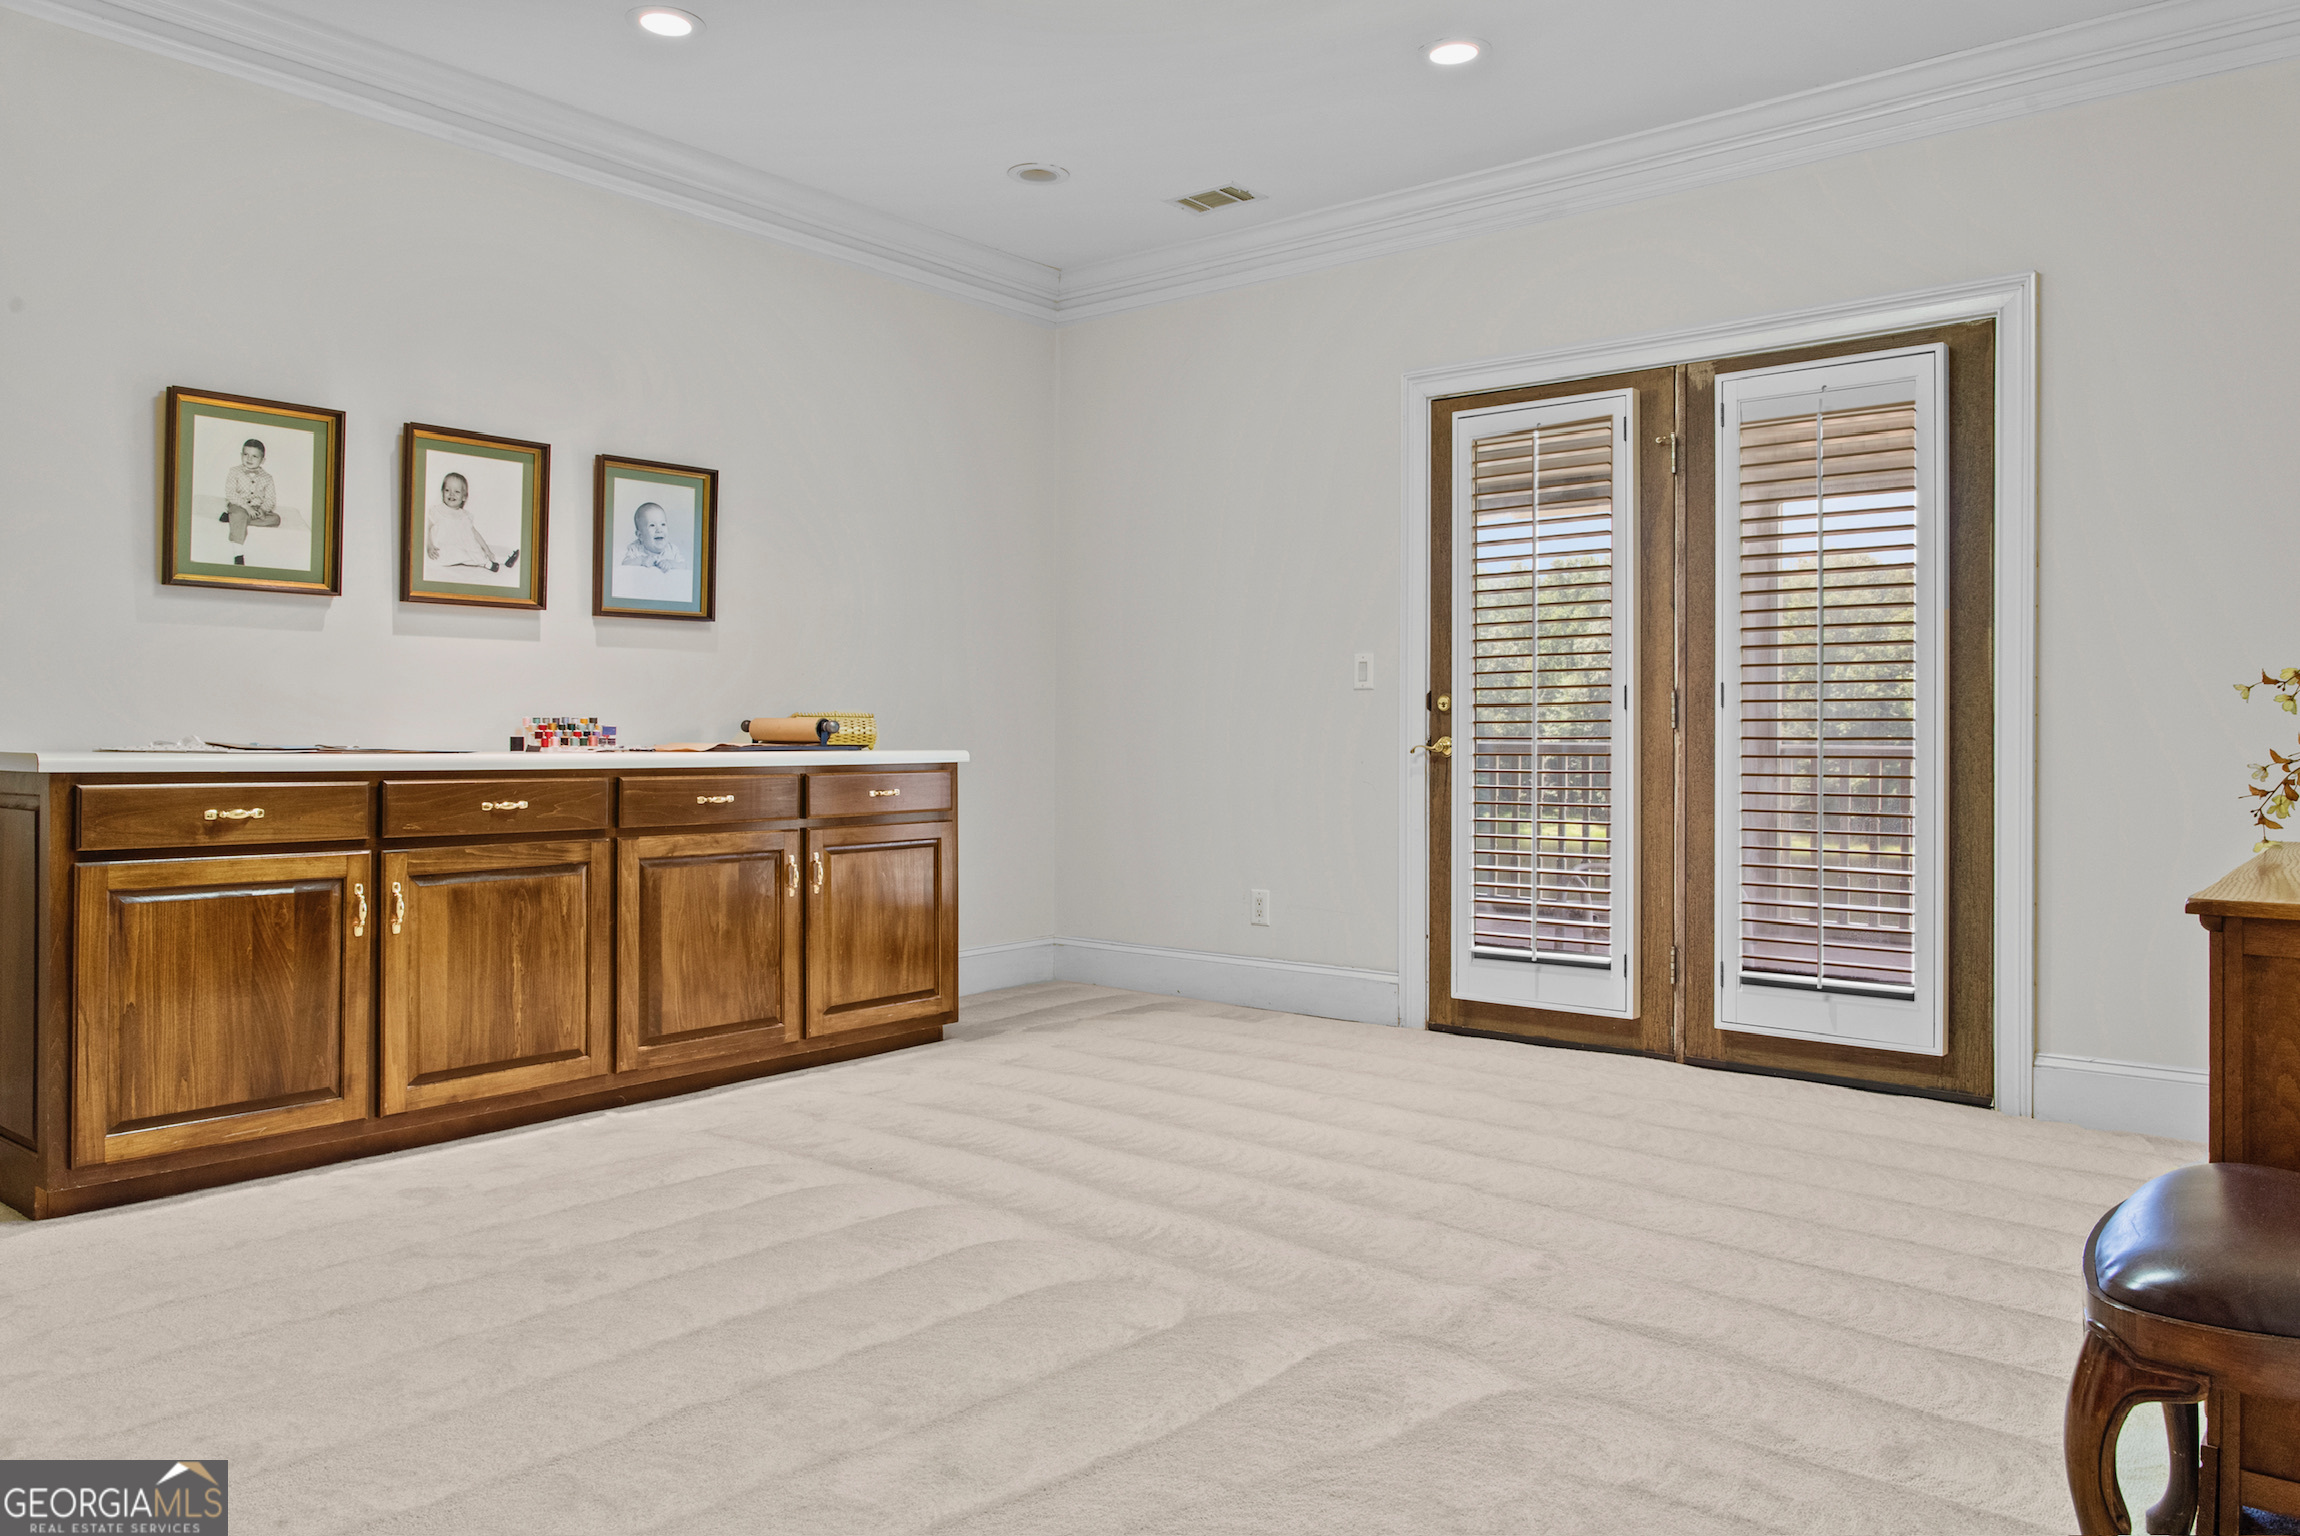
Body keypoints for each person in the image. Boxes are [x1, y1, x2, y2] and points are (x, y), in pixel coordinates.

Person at [425, 471, 517, 575]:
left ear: (464, 497)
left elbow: (475, 534)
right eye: (447, 490)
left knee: (473, 551)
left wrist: (487, 550)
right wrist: (429, 546)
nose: (451, 494)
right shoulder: (437, 511)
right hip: (442, 551)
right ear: (442, 492)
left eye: (457, 491)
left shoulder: (464, 516)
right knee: (463, 554)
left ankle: (503, 560)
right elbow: (426, 529)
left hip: (460, 548)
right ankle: (485, 563)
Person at [219, 438, 279, 566]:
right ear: (241, 455)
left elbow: (270, 499)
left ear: (262, 460)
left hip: (256, 508)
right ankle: (238, 554)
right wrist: (246, 508)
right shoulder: (234, 471)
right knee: (239, 513)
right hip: (239, 505)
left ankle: (234, 519)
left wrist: (262, 510)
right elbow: (231, 493)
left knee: (276, 519)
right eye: (246, 454)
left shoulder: (267, 478)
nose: (249, 459)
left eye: (254, 456)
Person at [619, 502, 686, 573]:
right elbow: (625, 564)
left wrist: (671, 564)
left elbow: (683, 565)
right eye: (652, 525)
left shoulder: (672, 549)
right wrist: (641, 560)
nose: (659, 530)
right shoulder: (635, 549)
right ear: (640, 535)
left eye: (663, 524)